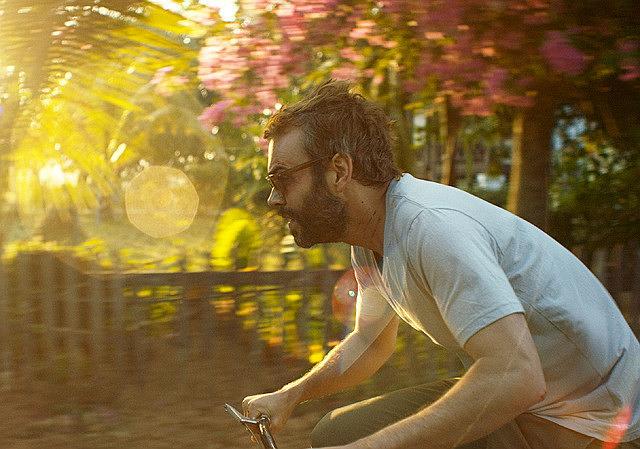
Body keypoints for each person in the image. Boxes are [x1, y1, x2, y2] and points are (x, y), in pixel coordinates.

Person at [242, 80, 640, 448]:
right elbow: (370, 342)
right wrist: (289, 395)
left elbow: (516, 376)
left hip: (591, 421)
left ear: (339, 172)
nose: (273, 199)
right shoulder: (370, 239)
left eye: (282, 179)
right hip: (534, 400)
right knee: (337, 432)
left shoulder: (431, 227)